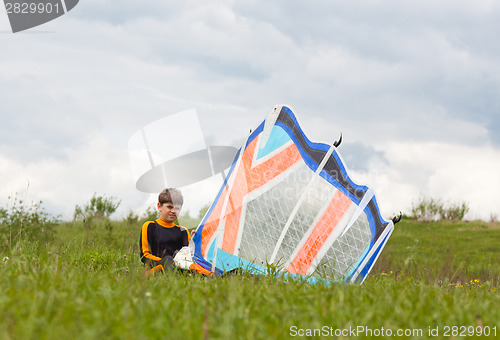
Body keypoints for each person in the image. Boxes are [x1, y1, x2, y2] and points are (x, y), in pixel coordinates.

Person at [139, 188, 212, 276]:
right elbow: (144, 255)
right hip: (155, 269)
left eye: (177, 208)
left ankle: (214, 275)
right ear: (159, 206)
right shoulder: (150, 226)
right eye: (169, 207)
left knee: (193, 266)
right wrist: (169, 262)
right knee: (168, 260)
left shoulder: (183, 231)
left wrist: (194, 241)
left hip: (178, 267)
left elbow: (190, 255)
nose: (173, 211)